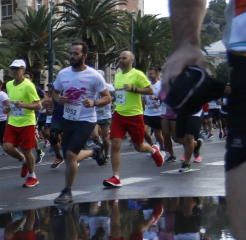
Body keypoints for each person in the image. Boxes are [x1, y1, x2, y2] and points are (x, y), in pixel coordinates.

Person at [51, 41, 112, 205]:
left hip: (86, 121)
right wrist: (59, 99)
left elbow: (107, 97)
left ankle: (67, 191)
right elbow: (54, 92)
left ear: (84, 55)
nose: (72, 56)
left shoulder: (94, 75)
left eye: (76, 53)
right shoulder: (63, 74)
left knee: (70, 155)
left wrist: (94, 103)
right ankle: (93, 152)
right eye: (70, 53)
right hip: (68, 119)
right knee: (69, 156)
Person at [103, 51, 164, 188]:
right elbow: (119, 94)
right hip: (119, 114)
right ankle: (116, 177)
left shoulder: (138, 74)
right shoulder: (117, 75)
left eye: (124, 57)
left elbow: (150, 91)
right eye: (119, 57)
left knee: (139, 146)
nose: (120, 59)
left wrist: (134, 89)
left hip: (134, 115)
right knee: (115, 144)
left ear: (131, 60)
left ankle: (153, 150)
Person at [1, 59, 42, 188]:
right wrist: (8, 108)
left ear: (23, 70)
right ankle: (22, 159)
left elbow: (38, 105)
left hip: (27, 122)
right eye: (13, 69)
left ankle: (33, 176)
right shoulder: (8, 84)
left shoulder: (29, 85)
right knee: (7, 147)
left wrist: (24, 105)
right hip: (13, 121)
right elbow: (11, 102)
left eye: (17, 69)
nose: (15, 71)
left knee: (27, 150)